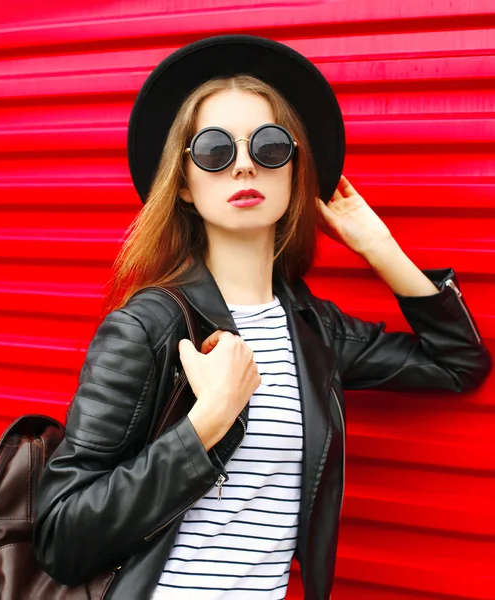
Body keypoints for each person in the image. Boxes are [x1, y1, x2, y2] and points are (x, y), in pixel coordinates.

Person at [33, 35, 492, 600]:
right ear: (181, 182)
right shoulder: (148, 326)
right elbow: (60, 536)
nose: (245, 165)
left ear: (295, 171)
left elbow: (458, 362)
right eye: (214, 150)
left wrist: (376, 245)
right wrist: (207, 424)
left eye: (271, 147)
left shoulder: (314, 331)